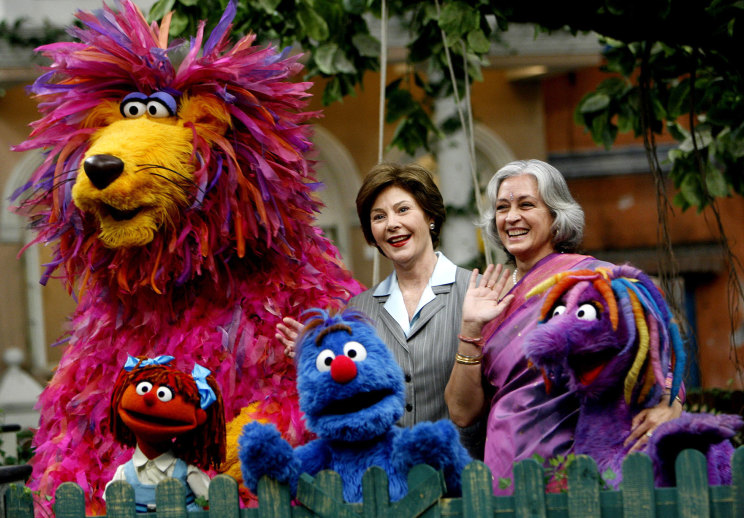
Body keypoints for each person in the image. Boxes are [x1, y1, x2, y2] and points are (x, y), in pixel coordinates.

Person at [443, 159, 683, 490]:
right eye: (502, 207)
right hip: (504, 474)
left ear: (556, 215)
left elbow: (658, 349)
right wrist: (470, 327)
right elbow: (461, 413)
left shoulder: (593, 280)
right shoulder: (491, 297)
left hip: (577, 473)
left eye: (526, 204)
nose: (512, 217)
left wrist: (671, 401)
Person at [277, 162, 484, 458]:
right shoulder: (359, 311)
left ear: (430, 216)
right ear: (372, 234)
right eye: (379, 217)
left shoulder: (476, 292)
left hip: (463, 480)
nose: (391, 224)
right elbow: (352, 400)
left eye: (403, 210)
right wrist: (315, 360)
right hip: (386, 486)